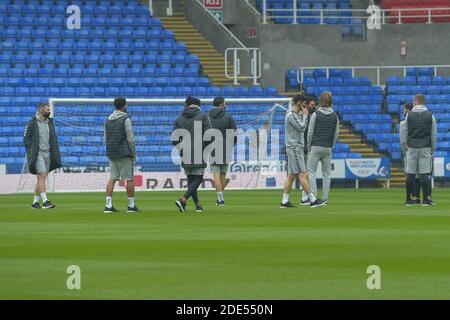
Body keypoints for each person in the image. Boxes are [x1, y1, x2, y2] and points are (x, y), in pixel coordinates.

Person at [280, 94, 325, 209]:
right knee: (303, 174)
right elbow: (301, 128)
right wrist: (305, 116)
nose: (305, 106)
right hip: (295, 147)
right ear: (299, 102)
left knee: (291, 176)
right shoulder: (291, 115)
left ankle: (284, 201)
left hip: (294, 147)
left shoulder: (295, 114)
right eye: (304, 103)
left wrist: (303, 115)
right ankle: (312, 199)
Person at [172, 96, 212, 213]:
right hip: (199, 150)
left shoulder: (179, 119)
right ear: (198, 105)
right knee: (198, 178)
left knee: (191, 179)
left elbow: (174, 139)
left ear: (187, 105)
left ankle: (197, 205)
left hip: (184, 152)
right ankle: (183, 199)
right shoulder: (203, 116)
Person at [104, 97, 140, 213]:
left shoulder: (108, 120)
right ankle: (131, 205)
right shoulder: (126, 119)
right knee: (129, 178)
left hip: (111, 152)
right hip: (124, 153)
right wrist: (133, 153)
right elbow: (130, 138)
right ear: (124, 105)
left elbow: (105, 138)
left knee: (112, 178)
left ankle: (108, 205)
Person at [24, 102, 62, 209]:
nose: (49, 112)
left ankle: (35, 203)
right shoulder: (32, 123)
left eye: (49, 110)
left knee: (42, 177)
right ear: (40, 110)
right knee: (41, 175)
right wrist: (32, 151)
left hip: (48, 153)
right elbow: (26, 139)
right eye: (47, 110)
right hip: (38, 154)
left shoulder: (49, 122)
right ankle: (45, 201)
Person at [401, 94, 437, 206]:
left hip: (411, 147)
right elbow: (433, 134)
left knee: (410, 173)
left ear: (415, 101)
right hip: (425, 146)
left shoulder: (409, 115)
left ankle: (408, 200)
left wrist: (404, 146)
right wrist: (432, 148)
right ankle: (426, 199)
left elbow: (405, 132)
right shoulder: (431, 115)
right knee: (424, 173)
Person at [306, 91, 339, 205]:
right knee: (327, 174)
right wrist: (332, 145)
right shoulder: (335, 115)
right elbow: (336, 133)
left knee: (311, 172)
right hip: (327, 148)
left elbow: (310, 132)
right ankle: (325, 198)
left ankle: (314, 197)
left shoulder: (315, 114)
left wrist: (308, 145)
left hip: (315, 146)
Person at [208, 96, 237, 206]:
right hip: (226, 148)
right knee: (223, 173)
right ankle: (221, 198)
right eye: (225, 103)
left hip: (212, 148)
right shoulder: (228, 117)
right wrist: (230, 146)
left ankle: (220, 199)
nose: (226, 105)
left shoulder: (207, 117)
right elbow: (234, 134)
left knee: (216, 174)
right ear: (221, 104)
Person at [400, 101, 421, 206]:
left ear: (406, 109)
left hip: (410, 151)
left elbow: (402, 141)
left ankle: (410, 198)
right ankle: (417, 197)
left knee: (410, 174)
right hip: (420, 148)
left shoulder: (404, 123)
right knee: (418, 174)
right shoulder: (419, 121)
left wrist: (404, 151)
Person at [301, 96, 317, 205]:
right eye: (311, 105)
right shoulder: (302, 117)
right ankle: (305, 198)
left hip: (310, 148)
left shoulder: (314, 117)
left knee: (307, 174)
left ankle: (305, 197)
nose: (313, 107)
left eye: (314, 105)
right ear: (306, 106)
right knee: (305, 174)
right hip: (302, 148)